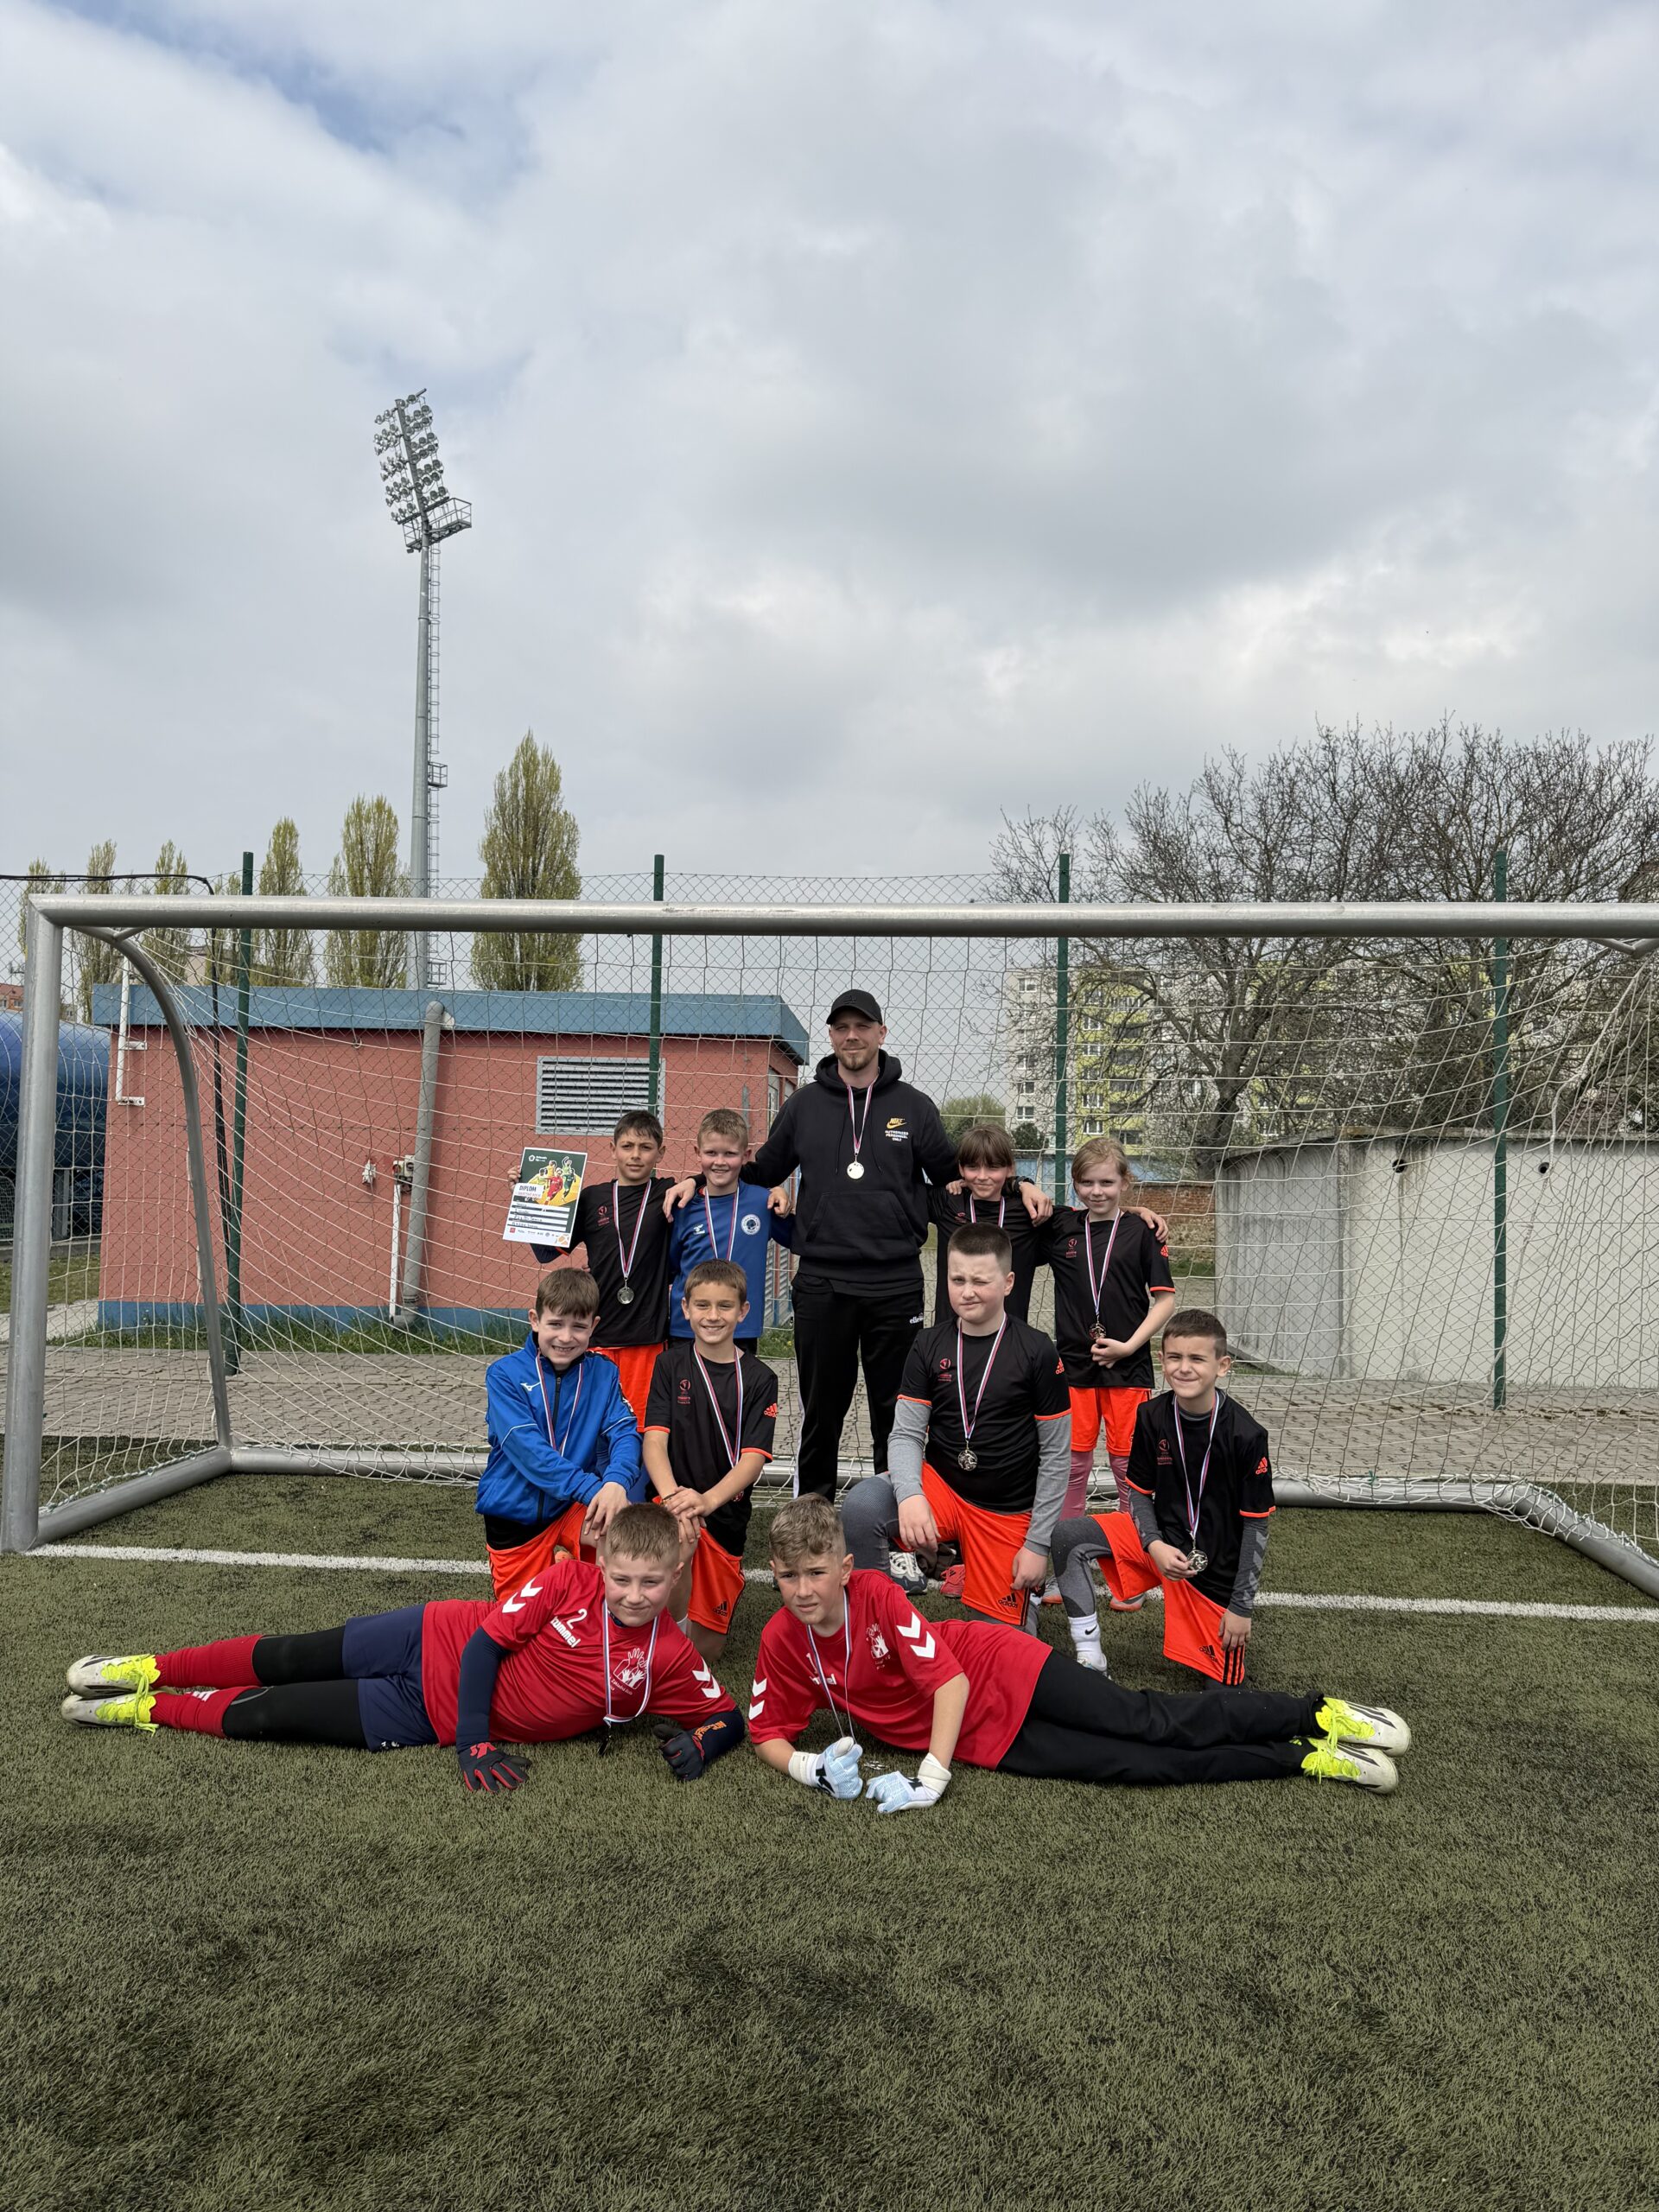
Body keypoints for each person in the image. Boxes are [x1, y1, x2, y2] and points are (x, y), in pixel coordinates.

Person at [748, 1497, 1411, 1802]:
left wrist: (931, 1776)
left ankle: (1318, 1713)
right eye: (788, 1577)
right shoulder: (781, 1638)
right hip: (986, 1738)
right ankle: (1306, 1757)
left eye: (816, 1573)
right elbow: (767, 1733)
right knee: (1139, 1767)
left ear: (845, 1568)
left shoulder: (876, 1595)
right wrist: (809, 1768)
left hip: (998, 1668)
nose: (803, 1590)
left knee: (1148, 1721)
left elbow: (949, 1684)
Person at [60, 1504, 747, 1794]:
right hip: (432, 1635)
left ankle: (147, 1709)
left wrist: (706, 1745)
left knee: (274, 1714)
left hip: (422, 1713)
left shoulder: (668, 1655)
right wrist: (475, 1743)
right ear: (603, 1566)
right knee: (290, 1657)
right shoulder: (568, 1581)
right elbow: (483, 1648)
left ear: (674, 1578)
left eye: (650, 1583)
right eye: (622, 1578)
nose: (634, 1595)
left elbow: (728, 1716)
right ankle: (148, 1668)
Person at [674, 989, 1052, 1502]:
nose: (851, 1036)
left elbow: (962, 1178)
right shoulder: (804, 1105)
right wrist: (696, 1180)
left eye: (862, 1026)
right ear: (831, 1036)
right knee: (820, 1410)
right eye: (841, 1028)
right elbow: (758, 1172)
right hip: (822, 1281)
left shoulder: (914, 1107)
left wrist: (1020, 1184)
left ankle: (891, 1519)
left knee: (896, 1412)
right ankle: (812, 1516)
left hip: (894, 1282)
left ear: (881, 1033)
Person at [842, 1224, 1070, 1628]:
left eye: (980, 1281)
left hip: (1005, 1510)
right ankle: (878, 1626)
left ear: (1008, 1282)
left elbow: (1056, 1456)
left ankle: (1012, 1594)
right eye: (957, 1279)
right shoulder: (928, 1344)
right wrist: (910, 1495)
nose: (967, 1292)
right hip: (942, 1490)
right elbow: (906, 1434)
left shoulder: (1038, 1350)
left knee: (1002, 1648)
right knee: (862, 1506)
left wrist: (1037, 1545)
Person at [1049, 1308, 1274, 1685]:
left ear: (1222, 1366)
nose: (1184, 1368)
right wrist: (1153, 1544)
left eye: (1197, 1359)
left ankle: (1212, 1631)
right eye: (1174, 1358)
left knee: (1224, 1693)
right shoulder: (1151, 1415)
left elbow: (1256, 1527)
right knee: (1067, 1536)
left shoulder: (1246, 1435)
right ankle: (1090, 1656)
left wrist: (1241, 1608)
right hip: (1160, 1546)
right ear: (1162, 1361)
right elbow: (1139, 1494)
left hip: (1210, 1571)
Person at [477, 1267, 647, 1599]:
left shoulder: (604, 1373)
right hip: (516, 1515)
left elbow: (626, 1433)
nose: (566, 1337)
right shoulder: (504, 1375)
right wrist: (595, 1489)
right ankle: (559, 1567)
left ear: (593, 1327)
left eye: (578, 1327)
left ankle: (606, 1610)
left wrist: (616, 1483)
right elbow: (531, 1453)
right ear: (535, 1320)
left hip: (571, 1507)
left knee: (624, 1532)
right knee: (520, 1621)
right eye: (555, 1324)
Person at [1039, 1137, 1178, 1543]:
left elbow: (1166, 1301)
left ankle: (1129, 1549)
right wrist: (1022, 1185)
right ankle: (1068, 1548)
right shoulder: (1062, 1226)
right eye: (1086, 1183)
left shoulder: (1143, 1231)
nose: (1096, 1191)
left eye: (1107, 1183)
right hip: (1074, 1367)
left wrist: (1129, 1346)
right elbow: (1017, 1205)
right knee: (1072, 1465)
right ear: (1074, 1183)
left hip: (1128, 1366)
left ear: (1125, 1183)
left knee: (1126, 1465)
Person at [644, 1259, 780, 1663]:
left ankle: (681, 1628)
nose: (713, 1316)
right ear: (685, 1308)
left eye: (724, 1306)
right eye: (702, 1305)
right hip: (669, 1505)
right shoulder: (669, 1364)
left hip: (723, 1516)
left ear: (743, 1311)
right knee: (676, 1545)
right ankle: (662, 1629)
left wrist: (705, 1501)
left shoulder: (761, 1378)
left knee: (706, 1652)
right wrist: (674, 1499)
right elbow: (654, 1443)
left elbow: (753, 1461)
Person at [665, 1109, 794, 1352]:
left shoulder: (763, 1202)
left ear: (746, 1156)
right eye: (711, 1153)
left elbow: (799, 1239)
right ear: (697, 1153)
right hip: (687, 1327)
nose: (720, 1162)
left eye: (730, 1154)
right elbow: (671, 1267)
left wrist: (786, 1204)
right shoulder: (683, 1206)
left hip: (741, 1327)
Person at [927, 1122, 1046, 1324]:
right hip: (952, 1334)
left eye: (993, 1167)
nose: (982, 1176)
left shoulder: (1029, 1211)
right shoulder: (948, 1202)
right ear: (961, 1169)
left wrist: (1021, 1184)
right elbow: (901, 1189)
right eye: (973, 1167)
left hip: (1008, 1335)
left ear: (1010, 1168)